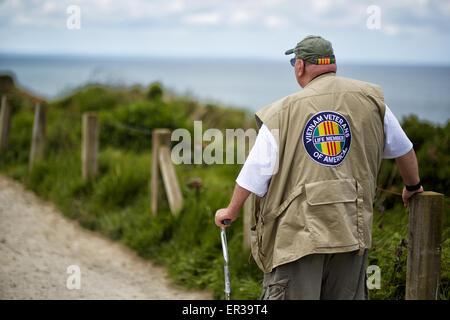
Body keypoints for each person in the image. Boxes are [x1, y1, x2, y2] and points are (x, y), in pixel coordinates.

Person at [214, 35, 423, 300]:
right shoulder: (372, 100)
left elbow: (255, 173)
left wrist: (230, 211)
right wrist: (413, 186)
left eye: (293, 63)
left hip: (298, 240)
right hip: (351, 235)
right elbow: (404, 149)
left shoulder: (282, 112)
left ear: (300, 66)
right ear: (333, 64)